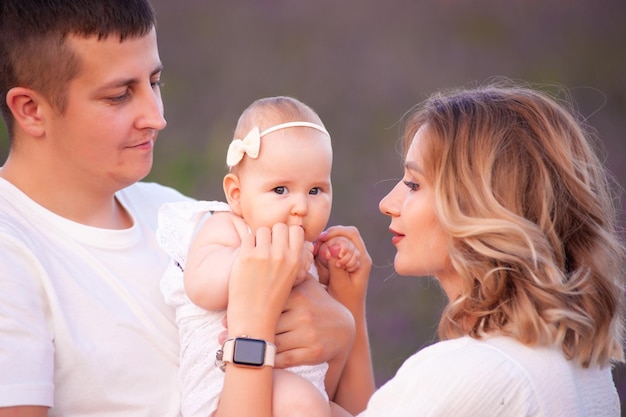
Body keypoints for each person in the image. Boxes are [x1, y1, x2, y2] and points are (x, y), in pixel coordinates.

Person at [0, 1, 358, 416]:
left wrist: (345, 328)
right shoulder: (11, 254)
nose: (156, 117)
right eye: (119, 95)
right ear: (31, 110)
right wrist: (252, 332)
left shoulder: (179, 217)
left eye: (154, 82)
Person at [214, 81, 625, 416]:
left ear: (477, 205)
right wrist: (350, 313)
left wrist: (251, 327)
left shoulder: (467, 375)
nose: (386, 203)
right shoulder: (586, 371)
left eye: (412, 184)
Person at [156, 96, 367, 417]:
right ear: (236, 195)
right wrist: (251, 262)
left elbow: (327, 315)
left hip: (293, 384)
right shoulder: (226, 227)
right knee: (304, 404)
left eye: (315, 191)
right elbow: (200, 285)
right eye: (281, 190)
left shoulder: (310, 249)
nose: (301, 206)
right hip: (225, 388)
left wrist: (337, 268)